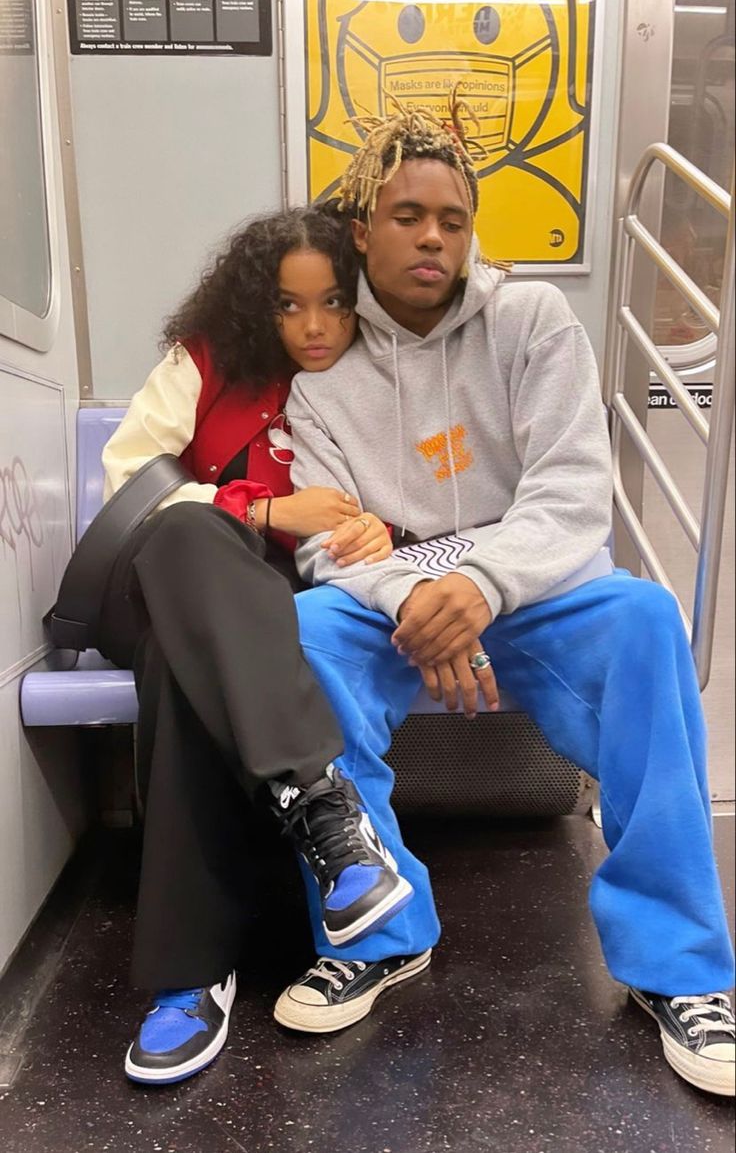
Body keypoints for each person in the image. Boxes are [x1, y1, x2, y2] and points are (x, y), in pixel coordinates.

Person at [279, 97, 735, 1097]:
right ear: (363, 230)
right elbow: (325, 538)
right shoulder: (322, 383)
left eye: (452, 217)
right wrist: (423, 597)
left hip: (532, 587)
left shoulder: (530, 320)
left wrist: (480, 582)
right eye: (408, 215)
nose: (433, 235)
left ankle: (680, 968)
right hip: (400, 603)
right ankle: (381, 926)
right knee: (307, 630)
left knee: (647, 619)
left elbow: (573, 490)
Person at [97, 203, 420, 1085]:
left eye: (335, 305)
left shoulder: (380, 379)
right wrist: (265, 512)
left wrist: (383, 534)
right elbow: (132, 490)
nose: (313, 328)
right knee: (193, 540)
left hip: (271, 622)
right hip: (168, 580)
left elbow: (422, 497)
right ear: (254, 304)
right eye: (288, 306)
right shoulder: (204, 361)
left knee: (181, 668)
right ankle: (322, 806)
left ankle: (188, 976)